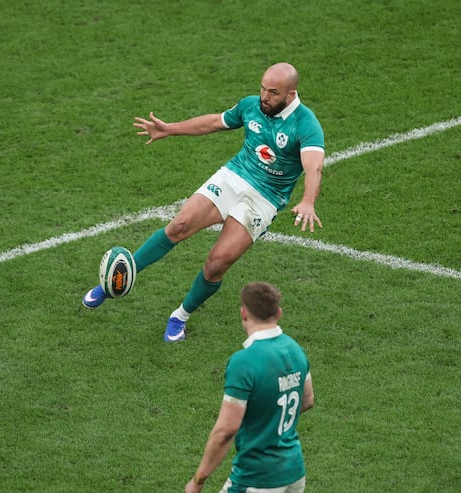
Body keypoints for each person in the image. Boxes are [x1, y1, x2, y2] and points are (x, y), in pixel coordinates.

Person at [82, 62, 325, 342]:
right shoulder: (251, 106)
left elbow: (314, 165)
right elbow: (214, 122)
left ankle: (180, 316)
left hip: (265, 198)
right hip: (234, 176)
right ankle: (115, 279)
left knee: (217, 263)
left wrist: (308, 200)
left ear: (290, 95)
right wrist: (170, 129)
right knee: (178, 226)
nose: (264, 97)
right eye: (262, 89)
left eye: (272, 93)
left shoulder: (306, 124)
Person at [185, 281, 315, 493]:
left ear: (243, 313)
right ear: (278, 313)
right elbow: (307, 400)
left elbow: (226, 430)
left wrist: (198, 480)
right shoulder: (296, 349)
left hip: (257, 478)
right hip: (294, 472)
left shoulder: (244, 362)